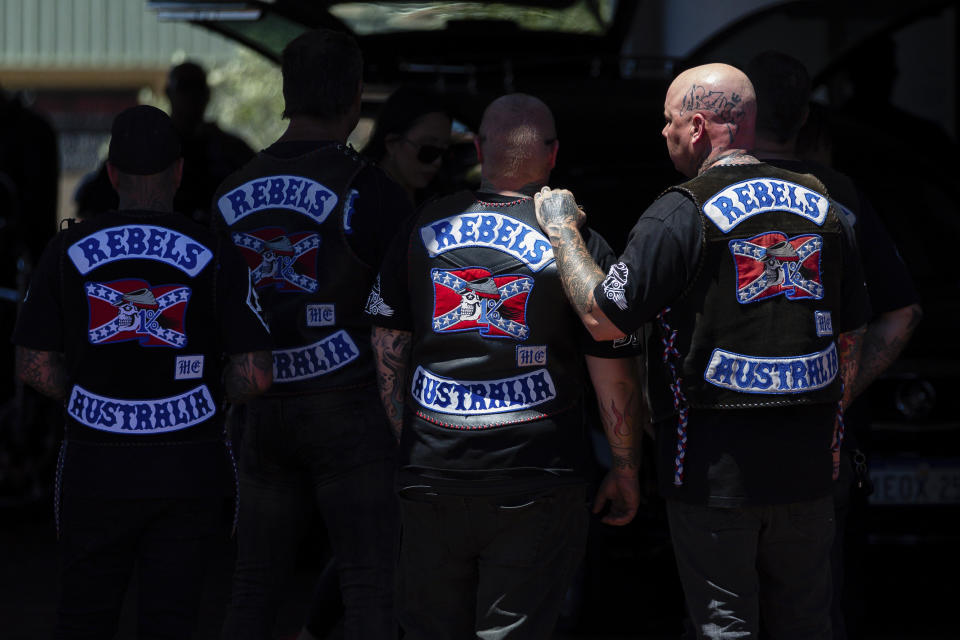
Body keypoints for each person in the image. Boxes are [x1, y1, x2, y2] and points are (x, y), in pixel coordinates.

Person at [535, 63, 871, 639]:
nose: (662, 135)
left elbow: (601, 315)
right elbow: (852, 332)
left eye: (667, 123)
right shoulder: (826, 206)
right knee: (807, 624)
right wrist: (833, 433)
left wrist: (562, 227)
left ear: (696, 126)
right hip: (812, 471)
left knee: (724, 626)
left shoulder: (679, 212)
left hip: (715, 477)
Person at [368, 93, 642, 640]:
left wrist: (413, 440)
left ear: (476, 148)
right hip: (537, 476)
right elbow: (611, 362)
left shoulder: (423, 225)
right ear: (554, 155)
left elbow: (387, 343)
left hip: (433, 473)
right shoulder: (579, 246)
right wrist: (627, 468)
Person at [11, 104, 273, 639]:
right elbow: (256, 373)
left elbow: (33, 364)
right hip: (187, 467)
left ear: (111, 174)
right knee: (171, 621)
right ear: (179, 172)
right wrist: (211, 396)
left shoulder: (66, 249)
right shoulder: (217, 252)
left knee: (83, 619)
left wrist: (90, 396)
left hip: (95, 467)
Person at [211, 29, 411, 640]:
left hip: (260, 413)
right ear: (355, 98)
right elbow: (402, 319)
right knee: (371, 582)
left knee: (253, 584)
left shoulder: (226, 192)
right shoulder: (373, 190)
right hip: (350, 412)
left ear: (286, 94)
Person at [746, 50, 923, 640]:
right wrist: (837, 394)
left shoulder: (694, 199)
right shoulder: (840, 195)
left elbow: (638, 324)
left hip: (720, 456)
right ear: (803, 122)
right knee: (813, 612)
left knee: (725, 615)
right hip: (823, 452)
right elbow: (902, 312)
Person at [74, 61, 255, 223]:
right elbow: (91, 200)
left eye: (197, 87)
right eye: (185, 87)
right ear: (168, 93)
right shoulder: (143, 144)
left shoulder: (229, 149)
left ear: (207, 94)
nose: (192, 96)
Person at [360, 85, 452, 204]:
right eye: (428, 150)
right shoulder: (360, 200)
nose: (437, 162)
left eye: (445, 152)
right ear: (392, 143)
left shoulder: (437, 200)